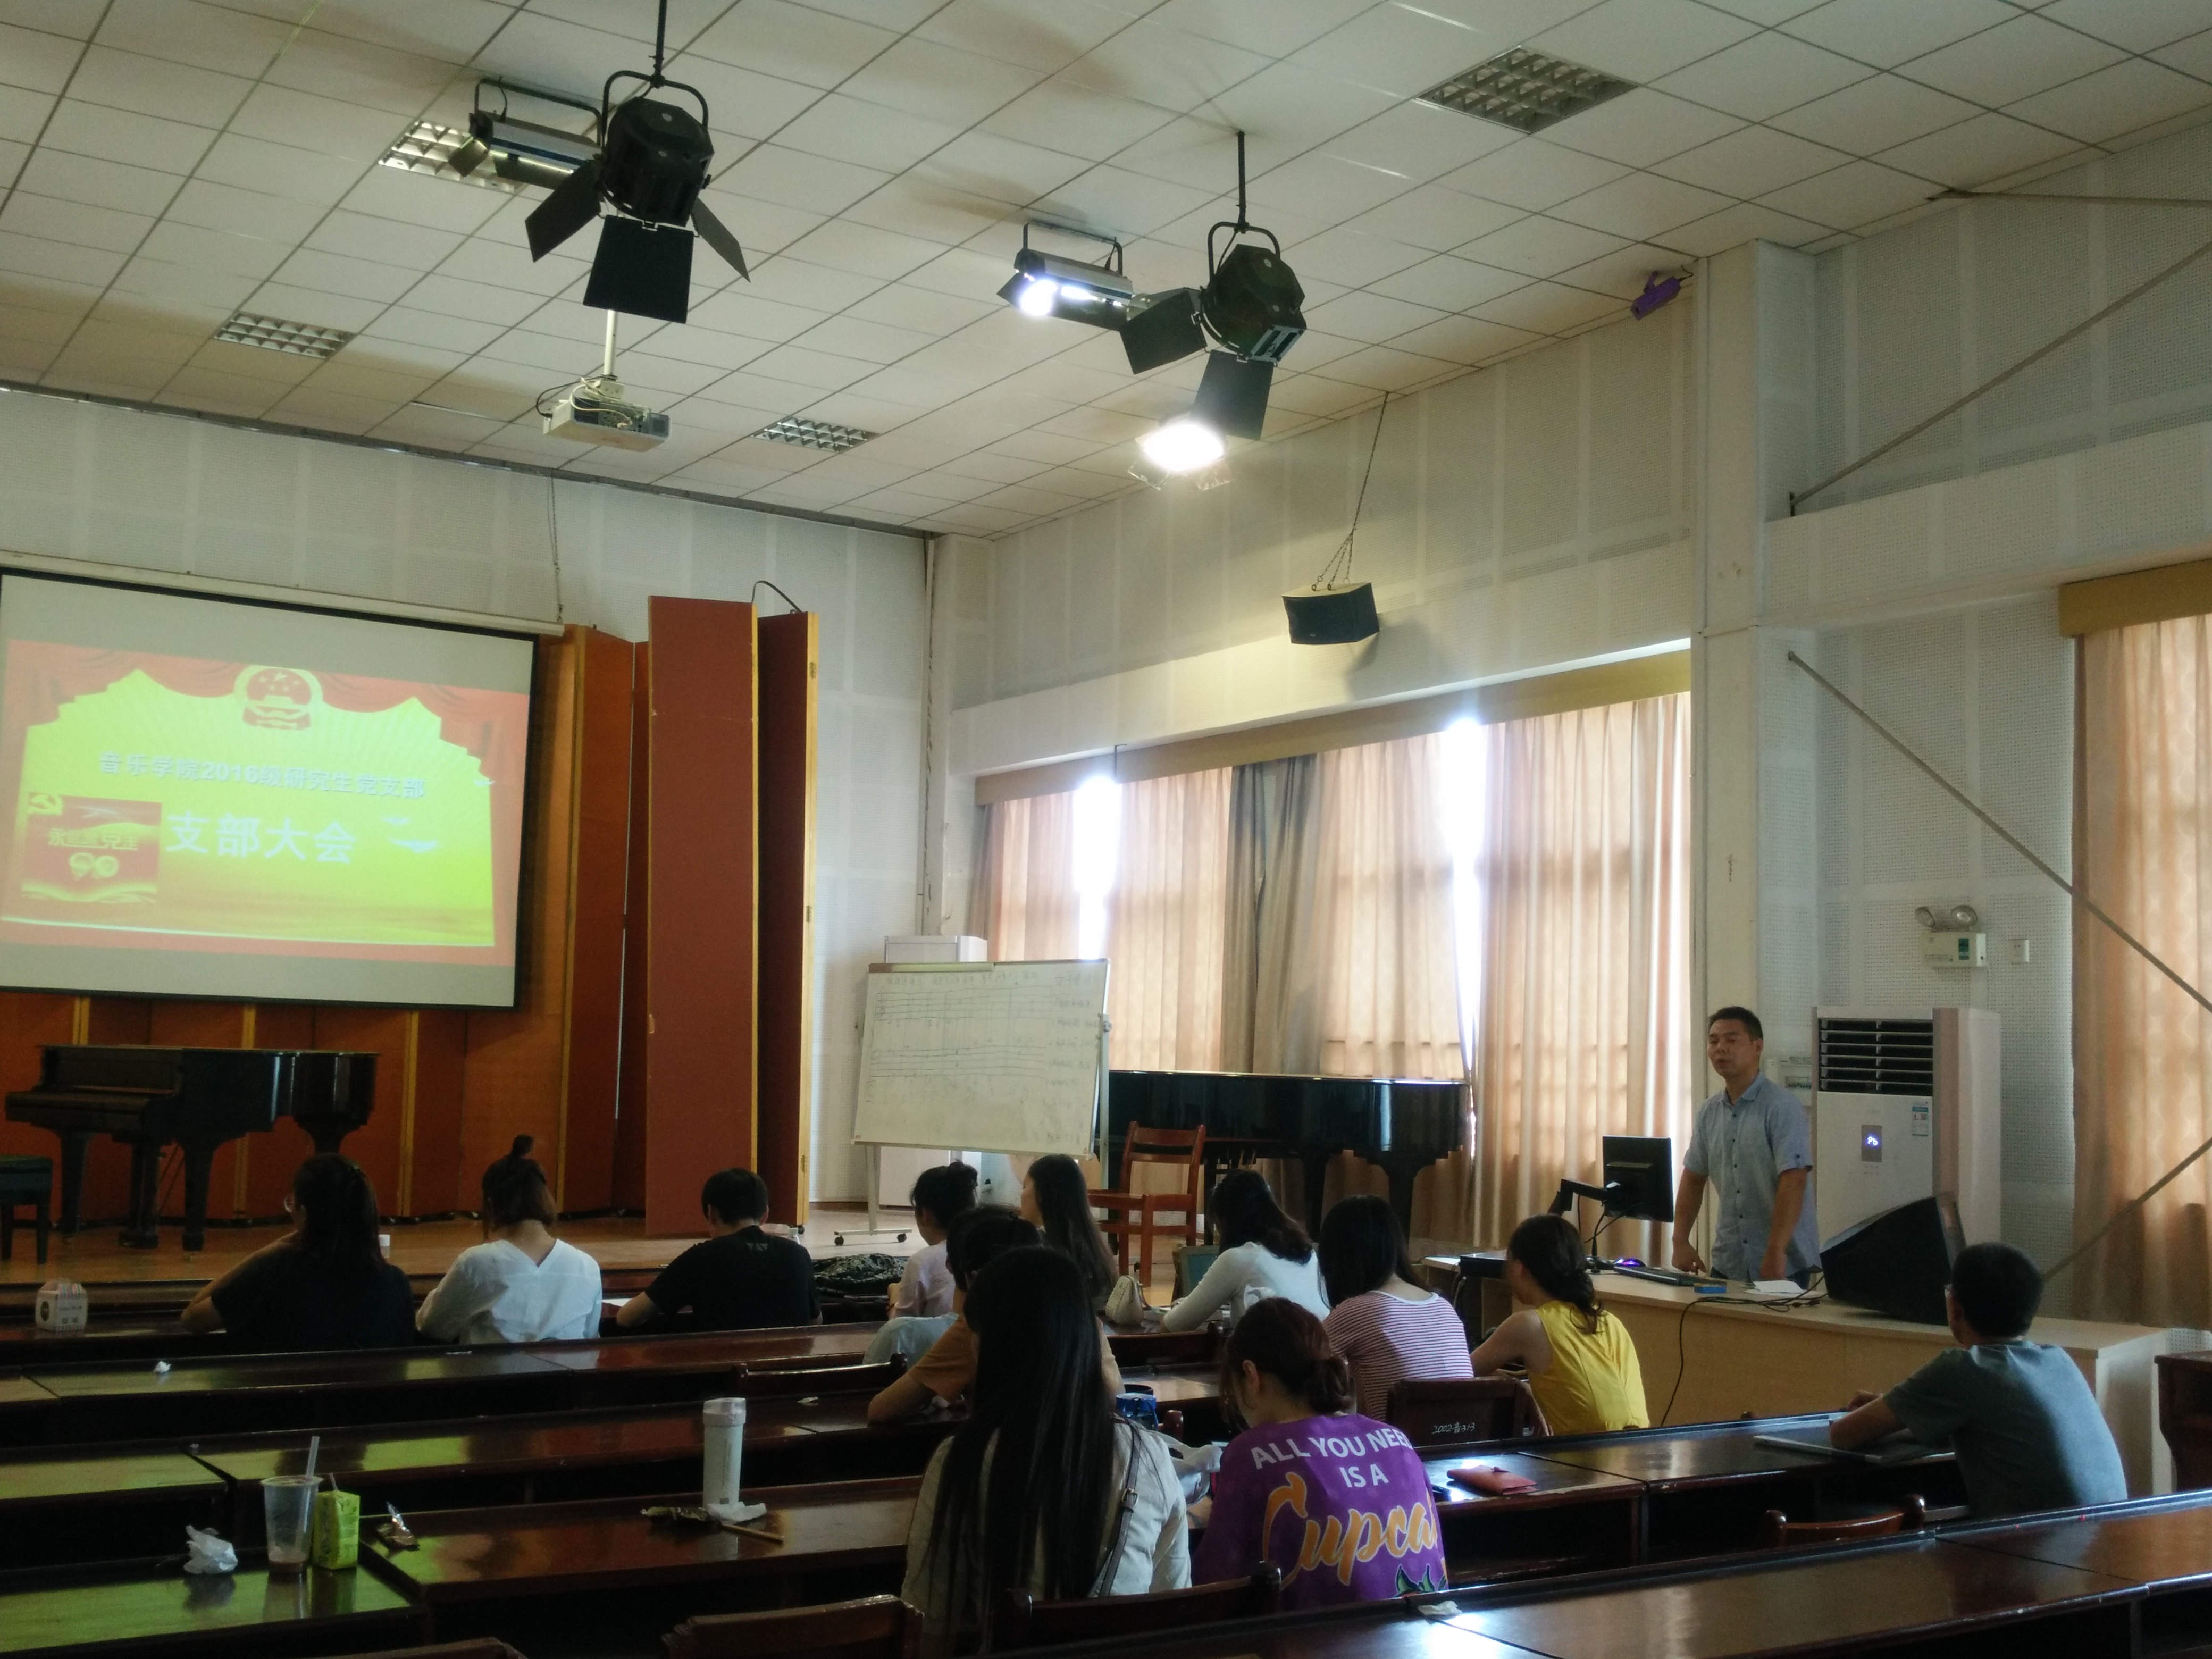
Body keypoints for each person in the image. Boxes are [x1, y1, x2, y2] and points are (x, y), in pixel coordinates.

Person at [903, 1246, 1187, 1652]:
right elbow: (1173, 1611)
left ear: (989, 1346)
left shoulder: (963, 1458)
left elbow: (930, 1628)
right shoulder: (1149, 1456)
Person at [1829, 1242, 2126, 1516]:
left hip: (2035, 1548)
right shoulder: (2057, 1360)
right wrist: (1901, 1409)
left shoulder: (1964, 1368)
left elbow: (1844, 1434)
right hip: (2108, 1538)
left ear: (1955, 1306)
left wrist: (1888, 1415)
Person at [1193, 1296, 1446, 1608]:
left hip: (1325, 1636)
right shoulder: (1397, 1440)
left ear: (1251, 1376)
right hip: (1428, 1629)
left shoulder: (1252, 1453)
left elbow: (1214, 1583)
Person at [181, 1154, 414, 1351]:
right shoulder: (395, 1283)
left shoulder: (274, 1272)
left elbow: (192, 1319)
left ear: (304, 1213)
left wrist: (262, 1254)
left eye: (291, 1204)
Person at [1672, 1007, 1820, 1284]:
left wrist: (1775, 1250)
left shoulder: (1781, 1107)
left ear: (1757, 1047)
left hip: (1781, 1262)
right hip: (1729, 1260)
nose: (1721, 1049)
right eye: (1714, 1041)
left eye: (1731, 1040)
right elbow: (1693, 1177)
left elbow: (1794, 1180)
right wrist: (1680, 1241)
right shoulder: (1708, 1112)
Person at [1469, 1213, 1647, 1434]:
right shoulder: (1610, 1320)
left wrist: (1514, 1385)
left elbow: (1461, 1371)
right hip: (1642, 1448)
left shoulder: (1529, 1324)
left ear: (1518, 1268)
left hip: (1582, 1453)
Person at [416, 1135, 603, 1345]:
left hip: (488, 1368)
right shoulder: (587, 1266)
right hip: (568, 1368)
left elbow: (432, 1326)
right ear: (544, 1200)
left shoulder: (477, 1262)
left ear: (491, 1205)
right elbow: (590, 1337)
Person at [870, 1206, 1043, 1423]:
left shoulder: (974, 1330)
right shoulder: (1069, 1318)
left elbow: (881, 1409)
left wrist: (934, 1396)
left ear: (970, 1276)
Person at [1318, 1194, 1472, 1416]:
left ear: (1336, 1258)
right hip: (1462, 1433)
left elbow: (1299, 1374)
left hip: (1397, 1438)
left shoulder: (1356, 1311)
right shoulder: (1443, 1306)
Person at [616, 1168, 817, 1331]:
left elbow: (627, 1318)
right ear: (765, 1214)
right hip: (790, 1370)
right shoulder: (798, 1254)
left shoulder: (701, 1258)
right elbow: (816, 1322)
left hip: (724, 1369)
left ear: (711, 1213)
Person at [1161, 1169, 1328, 1331]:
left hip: (1278, 1351)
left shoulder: (1239, 1258)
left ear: (1226, 1220)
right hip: (1320, 1348)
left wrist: (1178, 1307)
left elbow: (1173, 1326)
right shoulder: (1306, 1251)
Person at [1021, 1153, 1120, 1313]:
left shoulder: (1039, 1250)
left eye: (1024, 1187)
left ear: (1040, 1196)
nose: (1021, 1195)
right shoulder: (1094, 1245)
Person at [894, 1162, 978, 1318]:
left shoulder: (922, 1262)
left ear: (925, 1214)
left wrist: (894, 1298)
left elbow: (901, 1326)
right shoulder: (986, 1249)